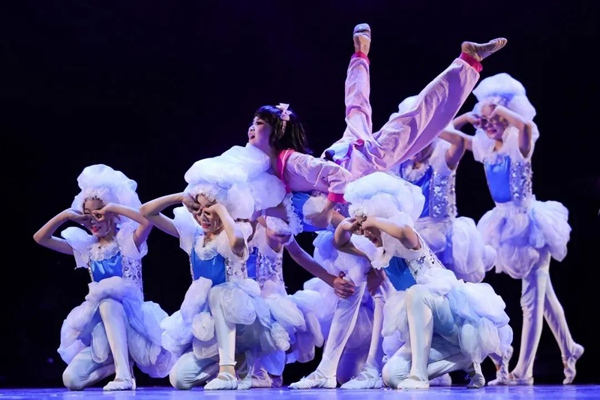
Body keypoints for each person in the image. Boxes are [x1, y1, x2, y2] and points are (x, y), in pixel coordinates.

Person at [451, 72, 584, 385]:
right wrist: (467, 118)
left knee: (530, 300)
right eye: (484, 121)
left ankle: (524, 371)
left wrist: (498, 108)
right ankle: (570, 348)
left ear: (506, 115)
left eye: (493, 119)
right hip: (503, 223)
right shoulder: (486, 147)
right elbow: (445, 134)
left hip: (531, 226)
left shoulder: (519, 142)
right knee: (543, 297)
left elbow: (525, 125)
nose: (488, 125)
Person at [334, 171, 513, 390]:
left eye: (369, 228)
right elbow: (340, 244)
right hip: (428, 329)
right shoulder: (378, 253)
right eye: (363, 230)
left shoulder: (408, 239)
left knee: (416, 293)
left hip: (449, 315)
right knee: (391, 376)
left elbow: (404, 231)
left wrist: (372, 220)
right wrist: (345, 226)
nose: (366, 234)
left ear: (382, 218)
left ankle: (419, 376)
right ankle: (464, 360)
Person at [140, 148, 287, 390]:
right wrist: (181, 197)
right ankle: (237, 362)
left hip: (243, 323)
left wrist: (220, 209)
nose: (203, 216)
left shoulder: (236, 231)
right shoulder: (193, 236)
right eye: (198, 210)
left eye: (209, 209)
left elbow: (237, 242)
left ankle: (228, 371)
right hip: (209, 324)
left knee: (219, 292)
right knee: (179, 379)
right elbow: (146, 212)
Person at [33, 164, 174, 391]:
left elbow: (147, 221)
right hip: (102, 329)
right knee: (71, 380)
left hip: (133, 324)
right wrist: (67, 215)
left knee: (109, 302)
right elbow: (41, 238)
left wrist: (113, 207)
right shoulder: (87, 249)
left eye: (99, 213)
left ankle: (124, 376)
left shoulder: (127, 241)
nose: (94, 220)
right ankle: (117, 367)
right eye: (87, 215)